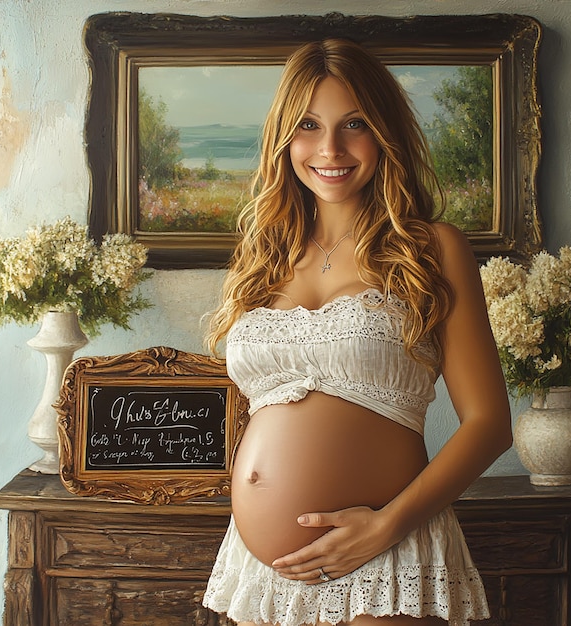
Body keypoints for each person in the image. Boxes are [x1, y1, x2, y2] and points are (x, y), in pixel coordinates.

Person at [202, 38, 512, 626]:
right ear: (283, 138)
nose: (330, 149)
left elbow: (490, 424)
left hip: (381, 558)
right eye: (309, 126)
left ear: (384, 133)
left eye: (354, 124)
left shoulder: (430, 249)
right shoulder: (263, 257)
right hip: (262, 574)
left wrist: (384, 527)